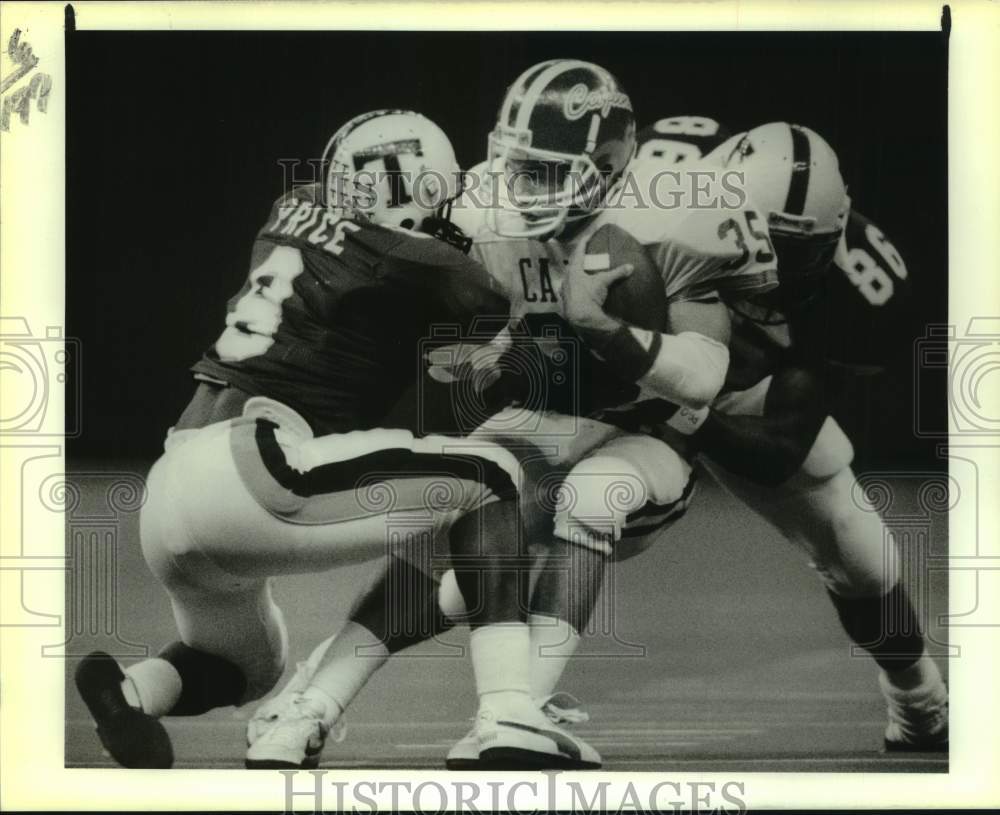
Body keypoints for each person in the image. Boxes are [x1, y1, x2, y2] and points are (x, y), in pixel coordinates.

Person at [249, 59, 781, 770]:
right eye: (516, 166)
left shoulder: (674, 215)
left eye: (546, 172)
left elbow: (705, 377)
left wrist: (606, 332)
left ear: (607, 164)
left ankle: (516, 712)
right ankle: (311, 701)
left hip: (648, 431)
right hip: (551, 410)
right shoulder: (479, 205)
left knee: (591, 499)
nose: (522, 188)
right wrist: (502, 346)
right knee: (451, 511)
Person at [74, 109, 596, 770]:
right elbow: (487, 301)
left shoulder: (293, 203)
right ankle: (508, 712)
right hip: (250, 465)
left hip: (171, 490)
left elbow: (373, 265)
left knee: (247, 667)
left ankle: (130, 690)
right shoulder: (413, 256)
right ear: (420, 187)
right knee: (490, 476)